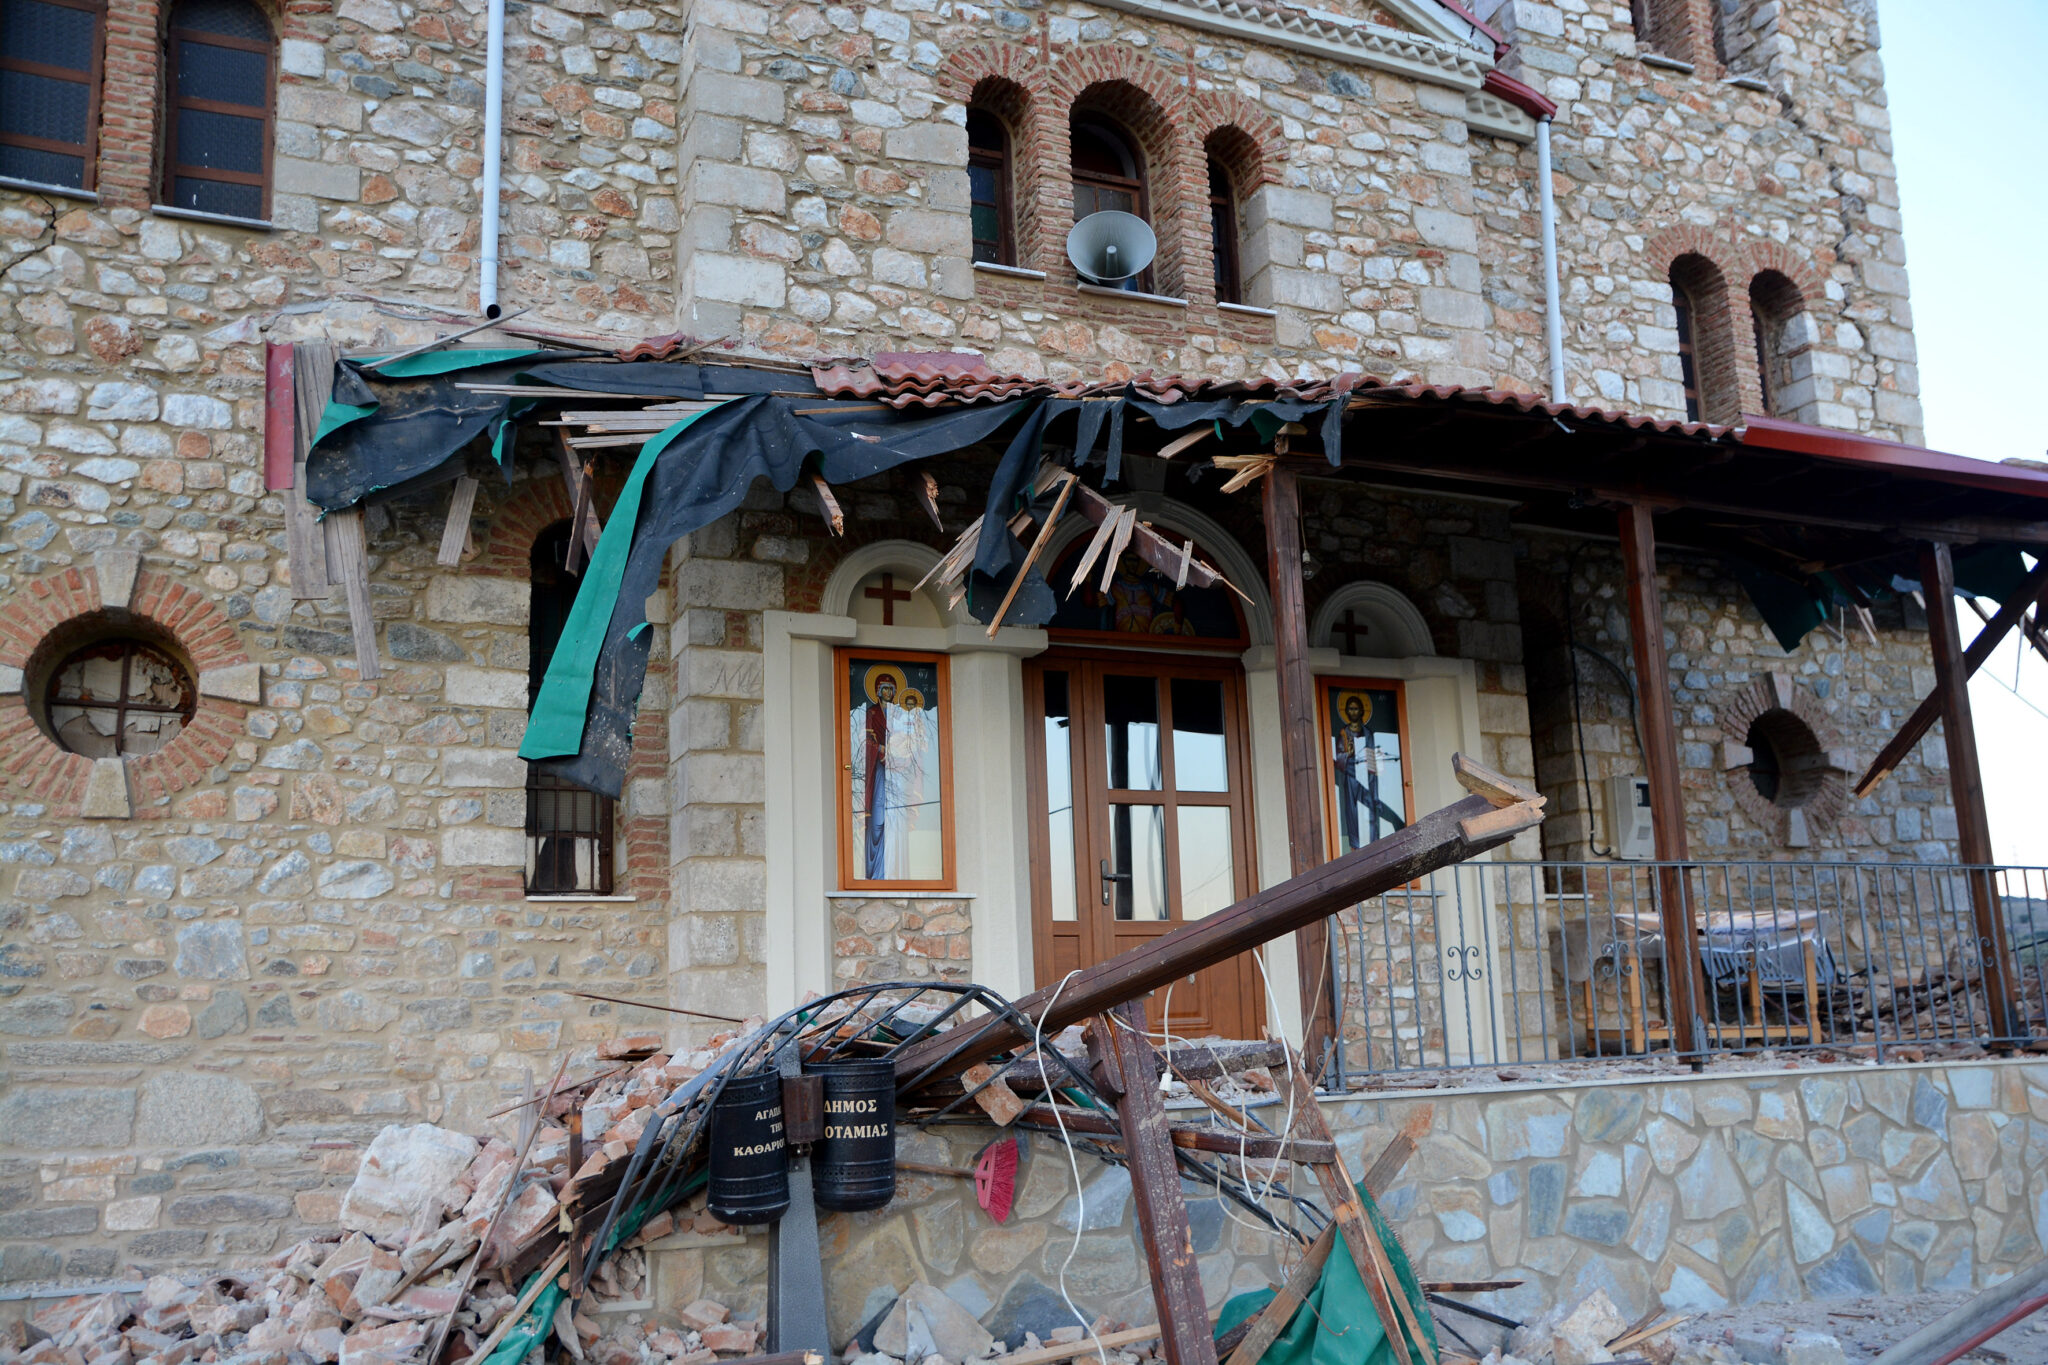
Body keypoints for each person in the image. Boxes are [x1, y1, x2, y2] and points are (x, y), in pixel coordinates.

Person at [849, 664, 942, 879]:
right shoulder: (871, 712)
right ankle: (876, 872)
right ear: (877, 690)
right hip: (878, 771)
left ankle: (897, 872)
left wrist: (904, 750)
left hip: (898, 772)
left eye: (891, 689)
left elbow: (912, 739)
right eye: (884, 688)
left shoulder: (900, 713)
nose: (888, 692)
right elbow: (863, 741)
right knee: (878, 819)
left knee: (896, 819)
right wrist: (881, 749)